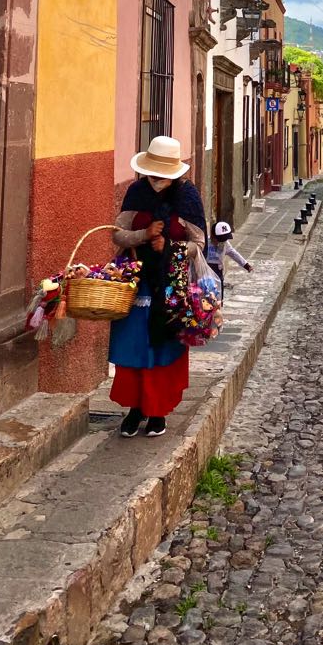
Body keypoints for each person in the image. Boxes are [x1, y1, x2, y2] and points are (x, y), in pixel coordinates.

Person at [109, 135, 207, 438]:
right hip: (136, 282)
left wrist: (170, 247)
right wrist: (143, 235)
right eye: (152, 171)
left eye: (161, 173)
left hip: (170, 286)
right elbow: (118, 235)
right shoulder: (136, 192)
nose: (155, 178)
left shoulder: (187, 197)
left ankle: (157, 412)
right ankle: (134, 409)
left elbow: (199, 243)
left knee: (162, 348)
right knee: (134, 346)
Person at [206, 220, 253, 302]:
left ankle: (218, 308)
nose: (221, 242)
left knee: (218, 293)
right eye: (219, 239)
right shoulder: (206, 242)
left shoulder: (225, 244)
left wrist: (246, 265)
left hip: (217, 270)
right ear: (213, 236)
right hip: (206, 269)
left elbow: (234, 254)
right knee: (206, 291)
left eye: (223, 240)